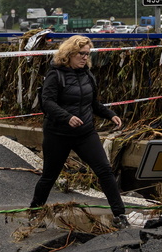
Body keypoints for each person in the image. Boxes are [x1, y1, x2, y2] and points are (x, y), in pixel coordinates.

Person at [29, 35, 129, 228]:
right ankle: (35, 212)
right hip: (58, 134)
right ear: (69, 54)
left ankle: (119, 214)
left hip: (85, 133)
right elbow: (47, 103)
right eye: (81, 54)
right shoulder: (55, 75)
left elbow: (92, 103)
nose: (85, 57)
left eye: (87, 54)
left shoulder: (87, 74)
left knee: (105, 170)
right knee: (49, 175)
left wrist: (110, 114)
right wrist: (66, 117)